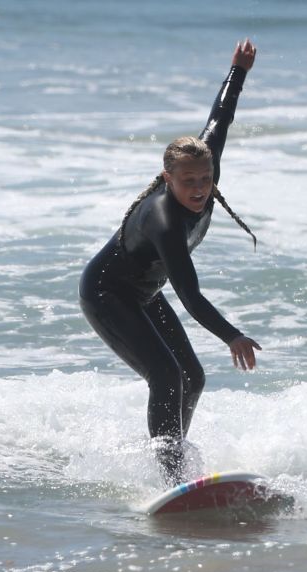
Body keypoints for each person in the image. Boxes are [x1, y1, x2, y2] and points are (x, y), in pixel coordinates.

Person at [79, 39, 261, 485]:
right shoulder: (164, 219)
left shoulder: (205, 167)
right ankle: (171, 476)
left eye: (206, 179)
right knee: (165, 376)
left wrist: (237, 71)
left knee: (192, 378)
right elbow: (190, 293)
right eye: (188, 182)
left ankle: (174, 461)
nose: (199, 188)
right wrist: (231, 336)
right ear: (168, 178)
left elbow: (220, 118)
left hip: (142, 293)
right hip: (107, 293)